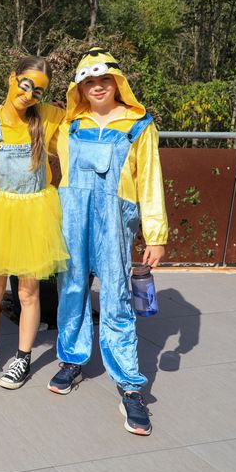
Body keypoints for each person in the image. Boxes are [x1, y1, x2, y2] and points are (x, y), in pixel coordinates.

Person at [49, 48, 167, 436]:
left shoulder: (140, 124)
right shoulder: (69, 124)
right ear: (79, 88)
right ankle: (72, 358)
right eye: (89, 82)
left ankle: (130, 385)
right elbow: (24, 126)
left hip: (115, 220)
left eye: (104, 80)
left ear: (117, 82)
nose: (97, 87)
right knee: (71, 288)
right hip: (72, 217)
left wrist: (155, 235)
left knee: (116, 296)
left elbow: (150, 181)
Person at [0, 56, 69, 390]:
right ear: (12, 77)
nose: (28, 95)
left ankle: (23, 357)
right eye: (25, 85)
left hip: (35, 213)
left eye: (37, 91)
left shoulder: (50, 117)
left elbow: (81, 113)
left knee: (28, 290)